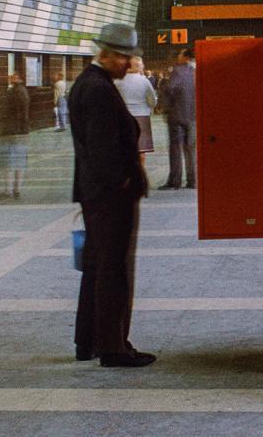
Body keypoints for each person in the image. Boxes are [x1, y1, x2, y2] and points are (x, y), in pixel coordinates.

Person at [68, 22, 156, 367]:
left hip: (95, 193)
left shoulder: (87, 84)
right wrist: (121, 182)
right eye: (123, 57)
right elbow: (102, 146)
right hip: (109, 196)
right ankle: (113, 347)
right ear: (105, 54)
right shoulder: (99, 89)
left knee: (95, 267)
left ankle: (87, 341)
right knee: (113, 269)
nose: (128, 63)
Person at [159, 48, 196, 190]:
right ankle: (193, 181)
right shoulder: (197, 71)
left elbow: (170, 88)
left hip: (177, 115)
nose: (178, 57)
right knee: (191, 149)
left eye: (180, 55)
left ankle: (175, 181)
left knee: (176, 149)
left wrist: (165, 104)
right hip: (193, 116)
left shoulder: (178, 71)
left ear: (186, 57)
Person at [114, 56, 157, 174]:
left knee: (124, 149)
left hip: (123, 117)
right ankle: (140, 175)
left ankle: (125, 175)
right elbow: (153, 101)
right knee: (141, 150)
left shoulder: (117, 81)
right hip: (142, 116)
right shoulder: (144, 81)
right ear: (139, 67)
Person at [0, 73, 30, 200]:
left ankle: (8, 190)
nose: (9, 78)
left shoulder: (13, 92)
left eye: (12, 76)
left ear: (17, 77)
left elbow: (6, 113)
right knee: (19, 162)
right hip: (21, 132)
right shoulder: (24, 91)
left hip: (10, 132)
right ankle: (17, 189)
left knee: (7, 163)